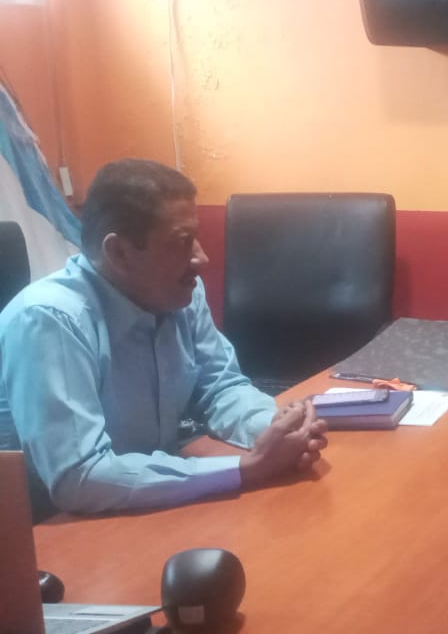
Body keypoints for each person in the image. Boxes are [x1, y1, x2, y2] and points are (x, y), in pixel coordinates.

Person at [0, 159, 327, 516]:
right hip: (48, 525)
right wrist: (246, 468)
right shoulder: (51, 320)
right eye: (182, 242)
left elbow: (220, 387)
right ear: (119, 253)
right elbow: (80, 477)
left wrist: (276, 430)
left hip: (143, 498)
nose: (202, 258)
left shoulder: (180, 294)